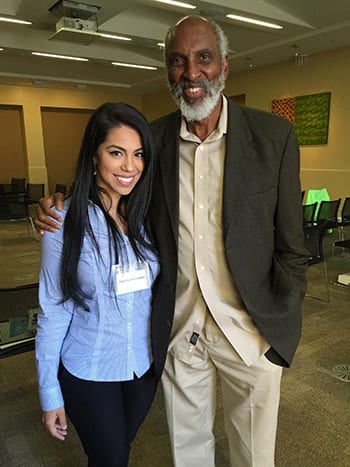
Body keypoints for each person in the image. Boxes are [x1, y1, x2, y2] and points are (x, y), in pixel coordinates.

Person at [35, 16, 309, 467]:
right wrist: (55, 205)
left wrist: (281, 320)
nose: (191, 72)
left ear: (225, 65)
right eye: (178, 62)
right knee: (189, 455)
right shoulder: (153, 141)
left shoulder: (273, 137)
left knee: (255, 457)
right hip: (180, 334)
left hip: (251, 333)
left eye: (203, 58)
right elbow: (109, 184)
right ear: (168, 72)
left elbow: (293, 247)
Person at [35, 102, 174, 467]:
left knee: (113, 453)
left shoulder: (146, 215)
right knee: (112, 458)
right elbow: (52, 309)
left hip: (141, 368)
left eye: (138, 154)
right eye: (116, 153)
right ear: (94, 156)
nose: (130, 167)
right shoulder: (62, 221)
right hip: (90, 370)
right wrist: (50, 393)